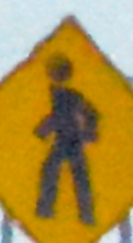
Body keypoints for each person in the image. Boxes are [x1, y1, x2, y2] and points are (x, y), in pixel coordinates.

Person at [34, 55, 100, 225]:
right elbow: (58, 117)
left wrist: (43, 130)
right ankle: (49, 210)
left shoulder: (68, 97)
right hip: (66, 140)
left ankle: (82, 214)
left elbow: (62, 117)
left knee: (71, 174)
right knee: (58, 171)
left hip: (69, 140)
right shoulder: (63, 95)